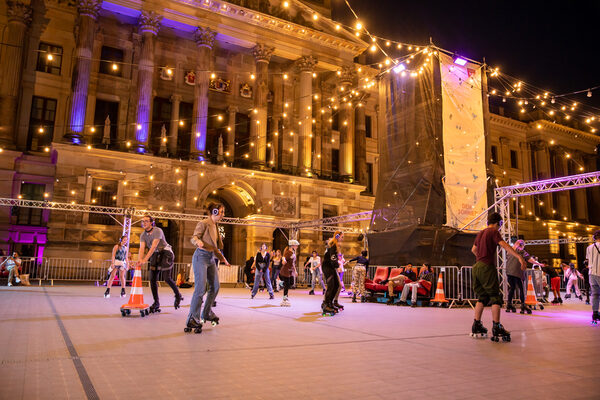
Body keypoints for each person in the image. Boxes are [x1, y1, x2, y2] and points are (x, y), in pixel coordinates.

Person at [470, 212, 525, 341]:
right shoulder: (493, 232)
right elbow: (504, 245)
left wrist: (480, 257)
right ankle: (496, 326)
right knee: (495, 297)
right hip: (486, 266)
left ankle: (476, 324)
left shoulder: (481, 233)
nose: (500, 228)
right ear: (498, 223)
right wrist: (519, 257)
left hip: (477, 266)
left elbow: (473, 249)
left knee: (482, 296)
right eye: (500, 225)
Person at [185, 203, 230, 332]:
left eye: (223, 212)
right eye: (221, 212)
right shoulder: (204, 223)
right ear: (214, 212)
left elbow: (215, 248)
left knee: (215, 286)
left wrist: (223, 259)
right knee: (200, 289)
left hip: (211, 258)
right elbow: (194, 237)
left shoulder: (216, 226)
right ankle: (193, 318)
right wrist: (198, 242)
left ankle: (206, 313)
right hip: (201, 257)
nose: (223, 214)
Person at [138, 214, 183, 312]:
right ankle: (156, 302)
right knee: (152, 279)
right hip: (155, 254)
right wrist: (139, 260)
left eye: (146, 221)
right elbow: (141, 248)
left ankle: (178, 295)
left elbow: (154, 246)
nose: (144, 223)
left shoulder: (157, 230)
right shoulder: (143, 235)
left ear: (151, 223)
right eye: (143, 221)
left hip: (166, 253)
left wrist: (145, 260)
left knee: (166, 278)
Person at [505, 240, 536, 313]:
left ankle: (509, 304)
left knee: (512, 288)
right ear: (522, 245)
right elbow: (530, 260)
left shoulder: (509, 251)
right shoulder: (522, 252)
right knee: (521, 288)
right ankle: (523, 305)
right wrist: (539, 264)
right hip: (517, 272)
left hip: (509, 272)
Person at [322, 232, 344, 314]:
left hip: (331, 266)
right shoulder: (333, 245)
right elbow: (333, 258)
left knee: (337, 285)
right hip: (327, 266)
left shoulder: (336, 245)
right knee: (331, 285)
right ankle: (326, 304)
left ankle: (330, 302)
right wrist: (337, 266)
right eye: (342, 237)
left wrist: (336, 265)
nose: (343, 238)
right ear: (338, 237)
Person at [585, 230, 600, 323]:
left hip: (591, 273)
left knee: (595, 294)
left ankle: (595, 314)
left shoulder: (589, 247)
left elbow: (587, 260)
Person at [280, 240, 299, 306]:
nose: (297, 247)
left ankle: (280, 283)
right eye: (296, 245)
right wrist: (283, 260)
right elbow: (283, 257)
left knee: (291, 283)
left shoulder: (293, 252)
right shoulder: (288, 252)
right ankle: (284, 299)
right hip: (286, 270)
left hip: (290, 271)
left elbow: (293, 263)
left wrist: (295, 270)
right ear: (292, 246)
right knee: (286, 285)